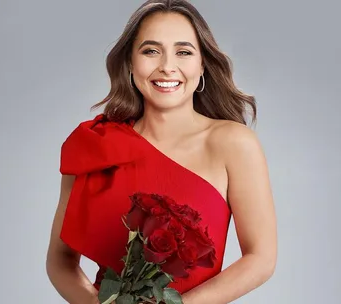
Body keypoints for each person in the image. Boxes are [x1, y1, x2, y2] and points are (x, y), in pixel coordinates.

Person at [45, 0, 277, 303]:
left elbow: (261, 258)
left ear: (202, 64)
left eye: (183, 52)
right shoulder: (95, 145)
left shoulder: (233, 143)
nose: (167, 66)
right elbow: (60, 262)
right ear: (129, 62)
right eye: (151, 51)